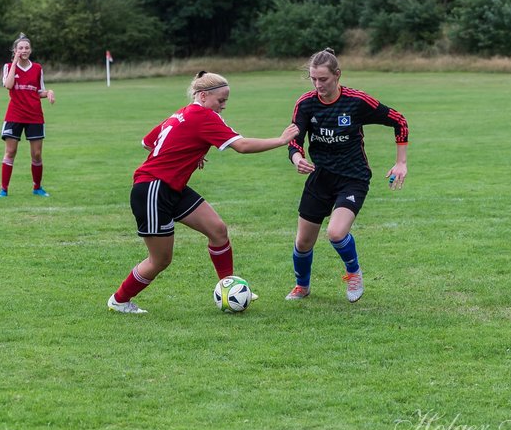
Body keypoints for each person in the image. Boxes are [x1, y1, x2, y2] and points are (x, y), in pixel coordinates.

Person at [107, 71, 299, 314]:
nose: (223, 107)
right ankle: (119, 300)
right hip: (154, 189)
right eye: (221, 101)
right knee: (160, 260)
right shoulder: (204, 116)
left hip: (170, 186)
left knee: (217, 230)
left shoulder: (182, 114)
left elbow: (148, 142)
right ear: (203, 96)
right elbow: (241, 146)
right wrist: (281, 140)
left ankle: (229, 289)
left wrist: (191, 152)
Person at [286, 49, 408, 303]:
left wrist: (400, 162)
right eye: (314, 79)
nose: (318, 85)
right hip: (320, 178)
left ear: (337, 75)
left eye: (324, 79)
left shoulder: (356, 101)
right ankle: (302, 286)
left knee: (336, 233)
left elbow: (399, 120)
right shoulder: (306, 103)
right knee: (303, 242)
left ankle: (354, 274)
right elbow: (294, 140)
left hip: (352, 177)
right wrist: (298, 159)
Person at [0, 34, 54, 198]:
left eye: (26, 48)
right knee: (10, 151)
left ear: (31, 50)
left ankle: (37, 187)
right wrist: (15, 61)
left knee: (36, 154)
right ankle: (4, 189)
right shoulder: (8, 66)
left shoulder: (37, 68)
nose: (24, 50)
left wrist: (49, 92)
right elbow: (8, 85)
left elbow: (39, 91)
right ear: (15, 50)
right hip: (14, 115)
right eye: (20, 48)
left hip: (35, 115)